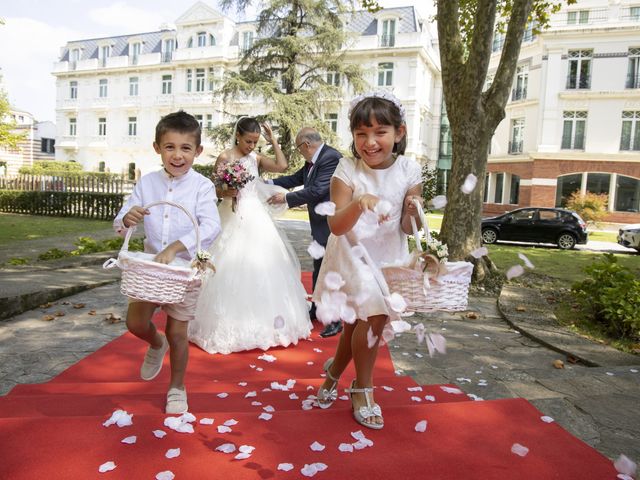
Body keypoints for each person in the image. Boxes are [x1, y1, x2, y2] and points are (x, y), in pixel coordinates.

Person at [313, 92, 423, 429]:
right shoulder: (347, 168)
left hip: (388, 256)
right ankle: (362, 389)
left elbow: (409, 228)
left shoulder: (410, 168)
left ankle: (333, 373)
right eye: (362, 134)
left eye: (380, 132)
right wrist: (360, 202)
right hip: (351, 253)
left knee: (354, 326)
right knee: (374, 315)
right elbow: (335, 224)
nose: (370, 142)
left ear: (399, 133)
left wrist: (411, 212)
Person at [113, 111, 222, 414]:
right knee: (135, 322)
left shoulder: (202, 186)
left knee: (178, 333)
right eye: (169, 147)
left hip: (185, 272)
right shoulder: (147, 183)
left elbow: (211, 226)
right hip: (149, 270)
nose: (177, 155)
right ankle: (155, 343)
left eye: (185, 148)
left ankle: (177, 386)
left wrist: (177, 247)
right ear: (157, 148)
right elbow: (121, 221)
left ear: (197, 151)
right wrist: (127, 218)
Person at [188, 117, 312, 354]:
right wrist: (227, 191)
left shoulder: (255, 159)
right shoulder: (225, 157)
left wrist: (273, 140)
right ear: (238, 136)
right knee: (229, 265)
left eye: (255, 142)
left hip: (256, 215)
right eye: (248, 141)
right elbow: (216, 189)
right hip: (231, 214)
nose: (251, 146)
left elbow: (281, 166)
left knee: (265, 264)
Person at [267, 127, 342, 338]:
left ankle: (335, 320)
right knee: (319, 267)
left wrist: (287, 199)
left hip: (331, 223)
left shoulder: (331, 158)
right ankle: (318, 308)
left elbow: (319, 189)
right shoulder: (314, 161)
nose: (299, 152)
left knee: (331, 271)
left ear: (306, 145)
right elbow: (294, 179)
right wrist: (267, 183)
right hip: (320, 224)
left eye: (299, 148)